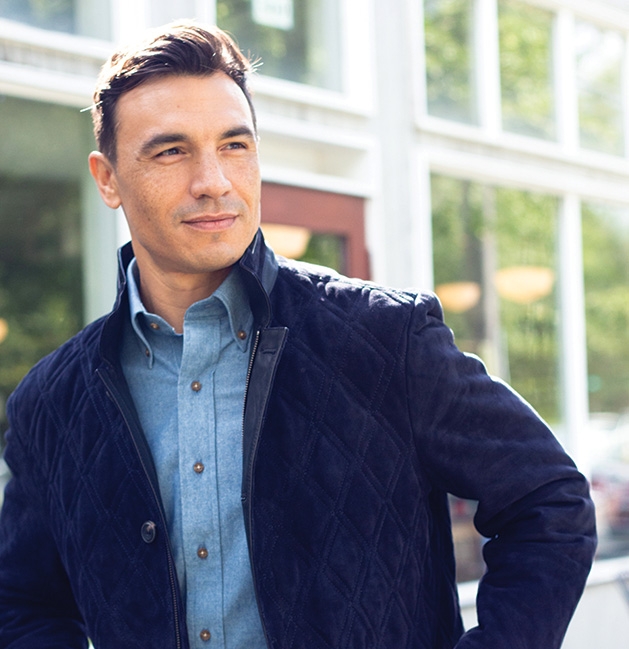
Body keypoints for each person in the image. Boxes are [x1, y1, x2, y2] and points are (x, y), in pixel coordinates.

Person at [0, 21, 596, 649]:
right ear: (108, 178)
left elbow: (548, 503)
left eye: (235, 145)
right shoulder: (51, 404)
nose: (214, 181)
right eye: (171, 151)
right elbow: (22, 603)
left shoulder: (384, 339)